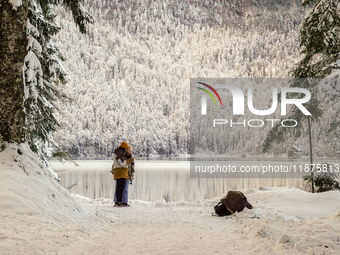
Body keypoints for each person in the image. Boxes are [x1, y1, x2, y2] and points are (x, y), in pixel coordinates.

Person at [111, 141, 131, 207]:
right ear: (124, 148)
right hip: (121, 172)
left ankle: (119, 201)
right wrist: (128, 161)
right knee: (120, 187)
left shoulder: (119, 153)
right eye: (126, 148)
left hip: (120, 172)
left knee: (120, 187)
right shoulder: (119, 154)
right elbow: (122, 163)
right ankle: (119, 202)